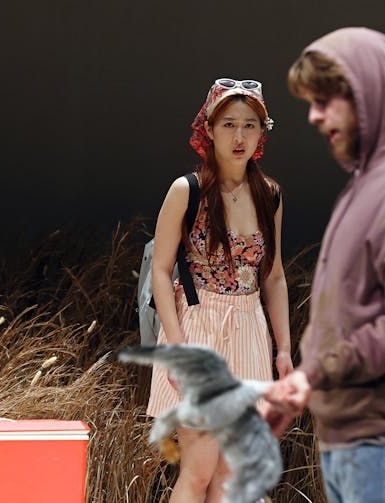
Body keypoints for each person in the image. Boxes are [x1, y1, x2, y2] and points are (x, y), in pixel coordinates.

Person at [262, 27, 385, 503]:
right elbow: (355, 315)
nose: (313, 116)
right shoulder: (370, 182)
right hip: (357, 440)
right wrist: (302, 386)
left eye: (325, 100)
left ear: (369, 94)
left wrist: (312, 374)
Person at [146, 78, 293, 503]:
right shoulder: (186, 190)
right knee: (198, 470)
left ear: (262, 132)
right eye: (229, 124)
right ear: (208, 129)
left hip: (249, 328)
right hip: (198, 329)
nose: (240, 136)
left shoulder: (270, 194)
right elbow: (160, 271)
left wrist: (283, 349)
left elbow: (274, 276)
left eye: (251, 125)